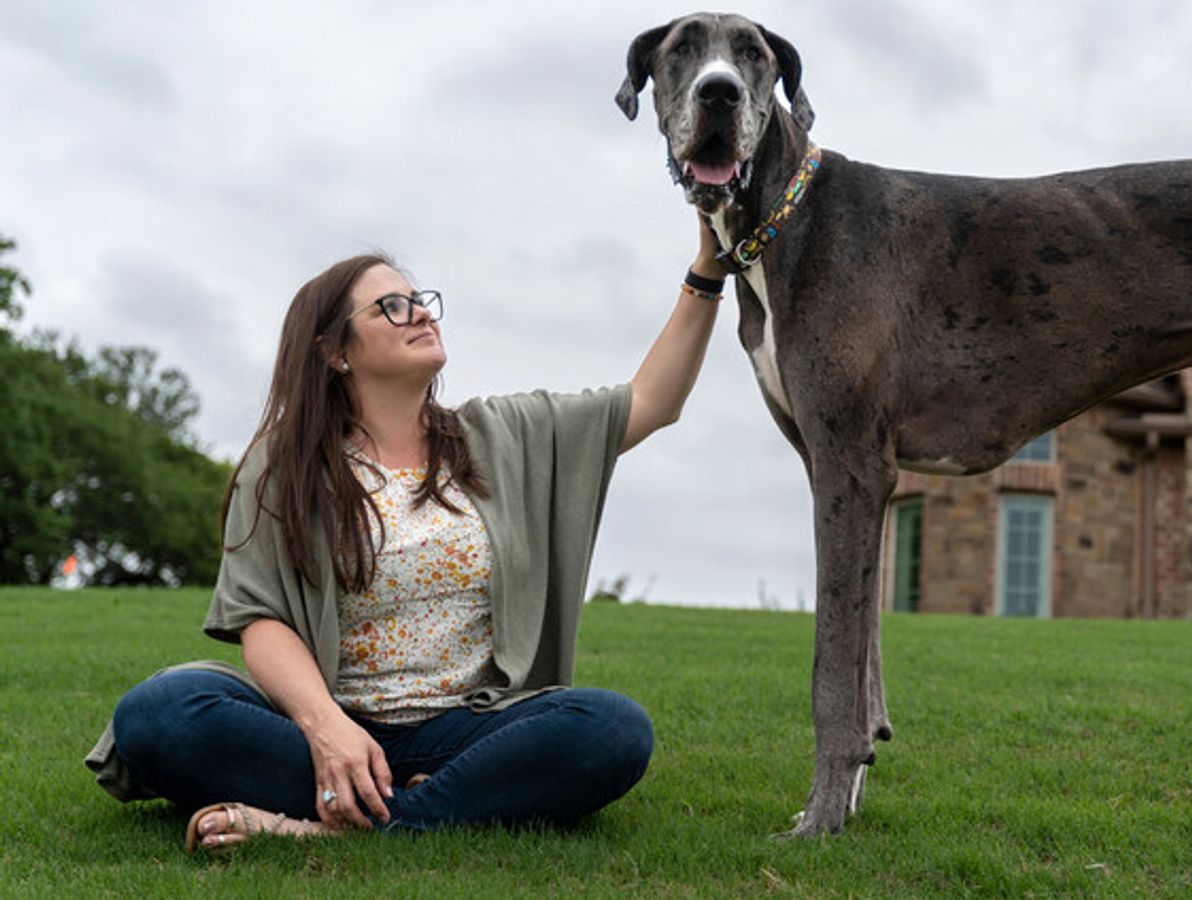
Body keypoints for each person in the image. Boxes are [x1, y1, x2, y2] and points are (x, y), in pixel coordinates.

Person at [90, 216, 728, 850]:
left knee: (611, 729)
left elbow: (652, 401)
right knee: (159, 712)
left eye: (421, 302)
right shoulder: (283, 464)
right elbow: (262, 620)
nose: (421, 314)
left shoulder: (504, 434)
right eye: (391, 308)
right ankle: (422, 797)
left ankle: (331, 828)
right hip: (324, 726)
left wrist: (707, 271)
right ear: (335, 352)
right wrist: (327, 729)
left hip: (469, 730)